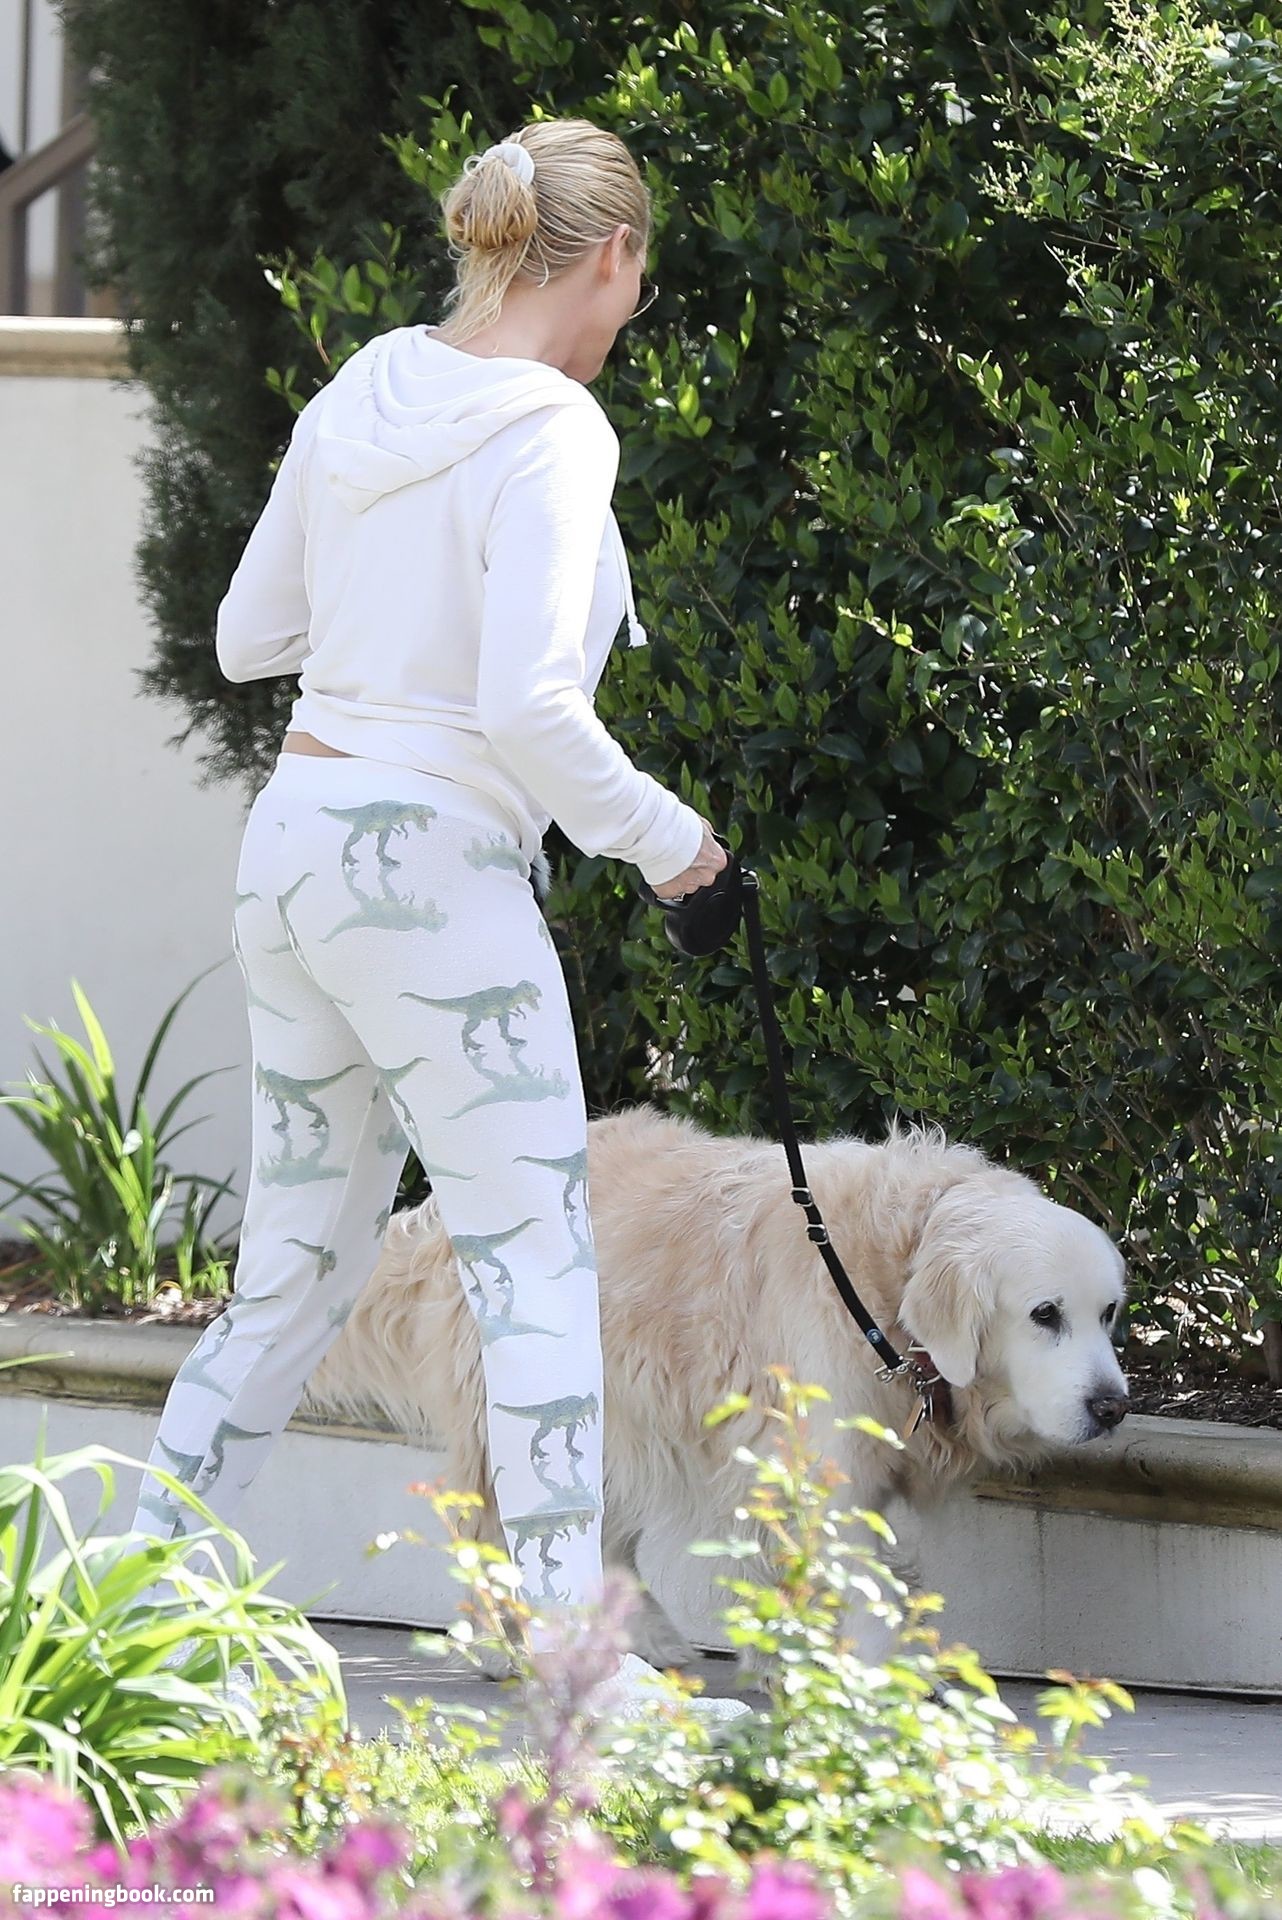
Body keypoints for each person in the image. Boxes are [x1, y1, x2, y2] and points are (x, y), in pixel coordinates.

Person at [128, 116, 750, 1726]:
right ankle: (575, 1678)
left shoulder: (365, 385)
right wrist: (676, 849)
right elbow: (531, 706)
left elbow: (247, 633)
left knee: (290, 1278)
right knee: (535, 1267)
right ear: (613, 257)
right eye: (638, 279)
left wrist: (388, 611)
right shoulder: (552, 425)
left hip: (296, 848)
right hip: (431, 877)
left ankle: (123, 1615)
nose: (631, 309)